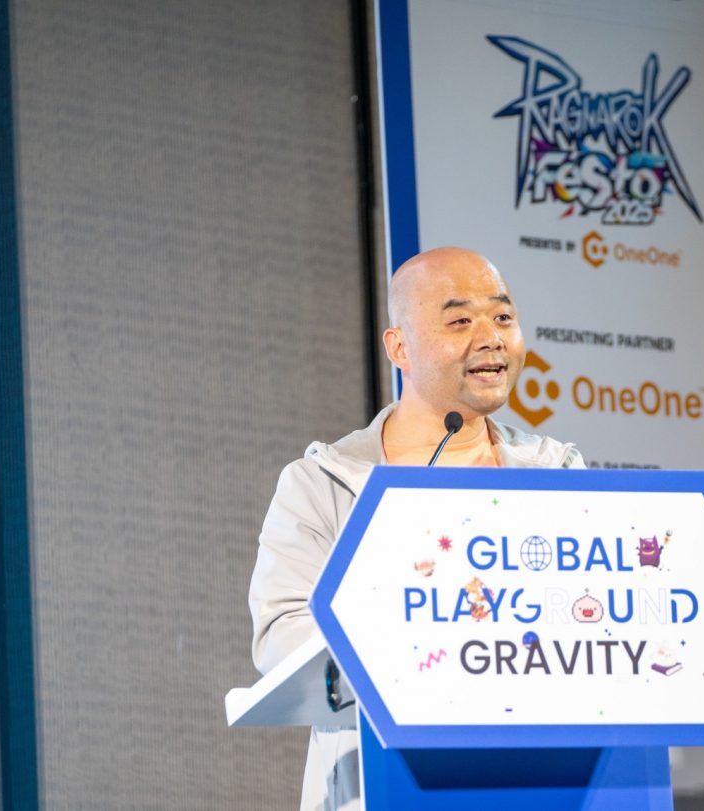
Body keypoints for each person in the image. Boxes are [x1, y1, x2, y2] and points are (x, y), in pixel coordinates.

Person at [248, 247, 584, 811]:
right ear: (399, 347)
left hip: (538, 777)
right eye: (460, 320)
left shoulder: (558, 472)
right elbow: (282, 635)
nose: (492, 338)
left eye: (503, 316)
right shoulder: (324, 482)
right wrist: (422, 647)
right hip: (384, 779)